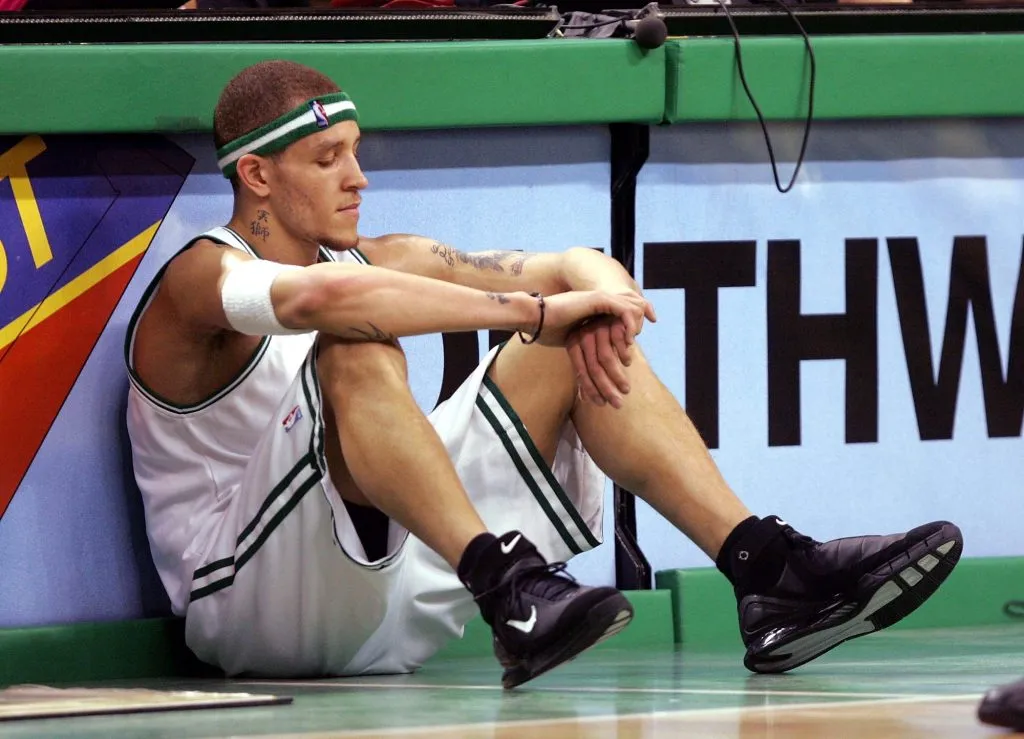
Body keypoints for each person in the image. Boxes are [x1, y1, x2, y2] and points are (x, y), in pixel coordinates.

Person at [125, 59, 964, 688]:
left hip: (387, 594)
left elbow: (564, 263)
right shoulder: (199, 278)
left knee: (576, 337)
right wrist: (531, 311)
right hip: (247, 608)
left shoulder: (374, 254)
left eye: (357, 151)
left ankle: (765, 570)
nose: (359, 176)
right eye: (328, 157)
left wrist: (592, 290)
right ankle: (509, 584)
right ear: (258, 175)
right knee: (362, 333)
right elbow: (328, 299)